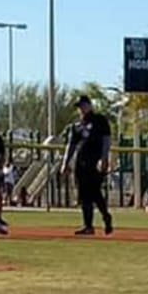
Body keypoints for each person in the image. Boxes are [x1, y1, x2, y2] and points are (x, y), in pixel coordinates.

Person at [60, 95, 114, 236]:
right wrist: (65, 163)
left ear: (89, 105)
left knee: (95, 192)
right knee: (84, 195)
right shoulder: (76, 126)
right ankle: (88, 225)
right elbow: (71, 146)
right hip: (81, 163)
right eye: (79, 107)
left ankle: (106, 216)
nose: (81, 109)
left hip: (95, 162)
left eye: (83, 105)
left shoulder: (99, 121)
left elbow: (106, 140)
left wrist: (104, 158)